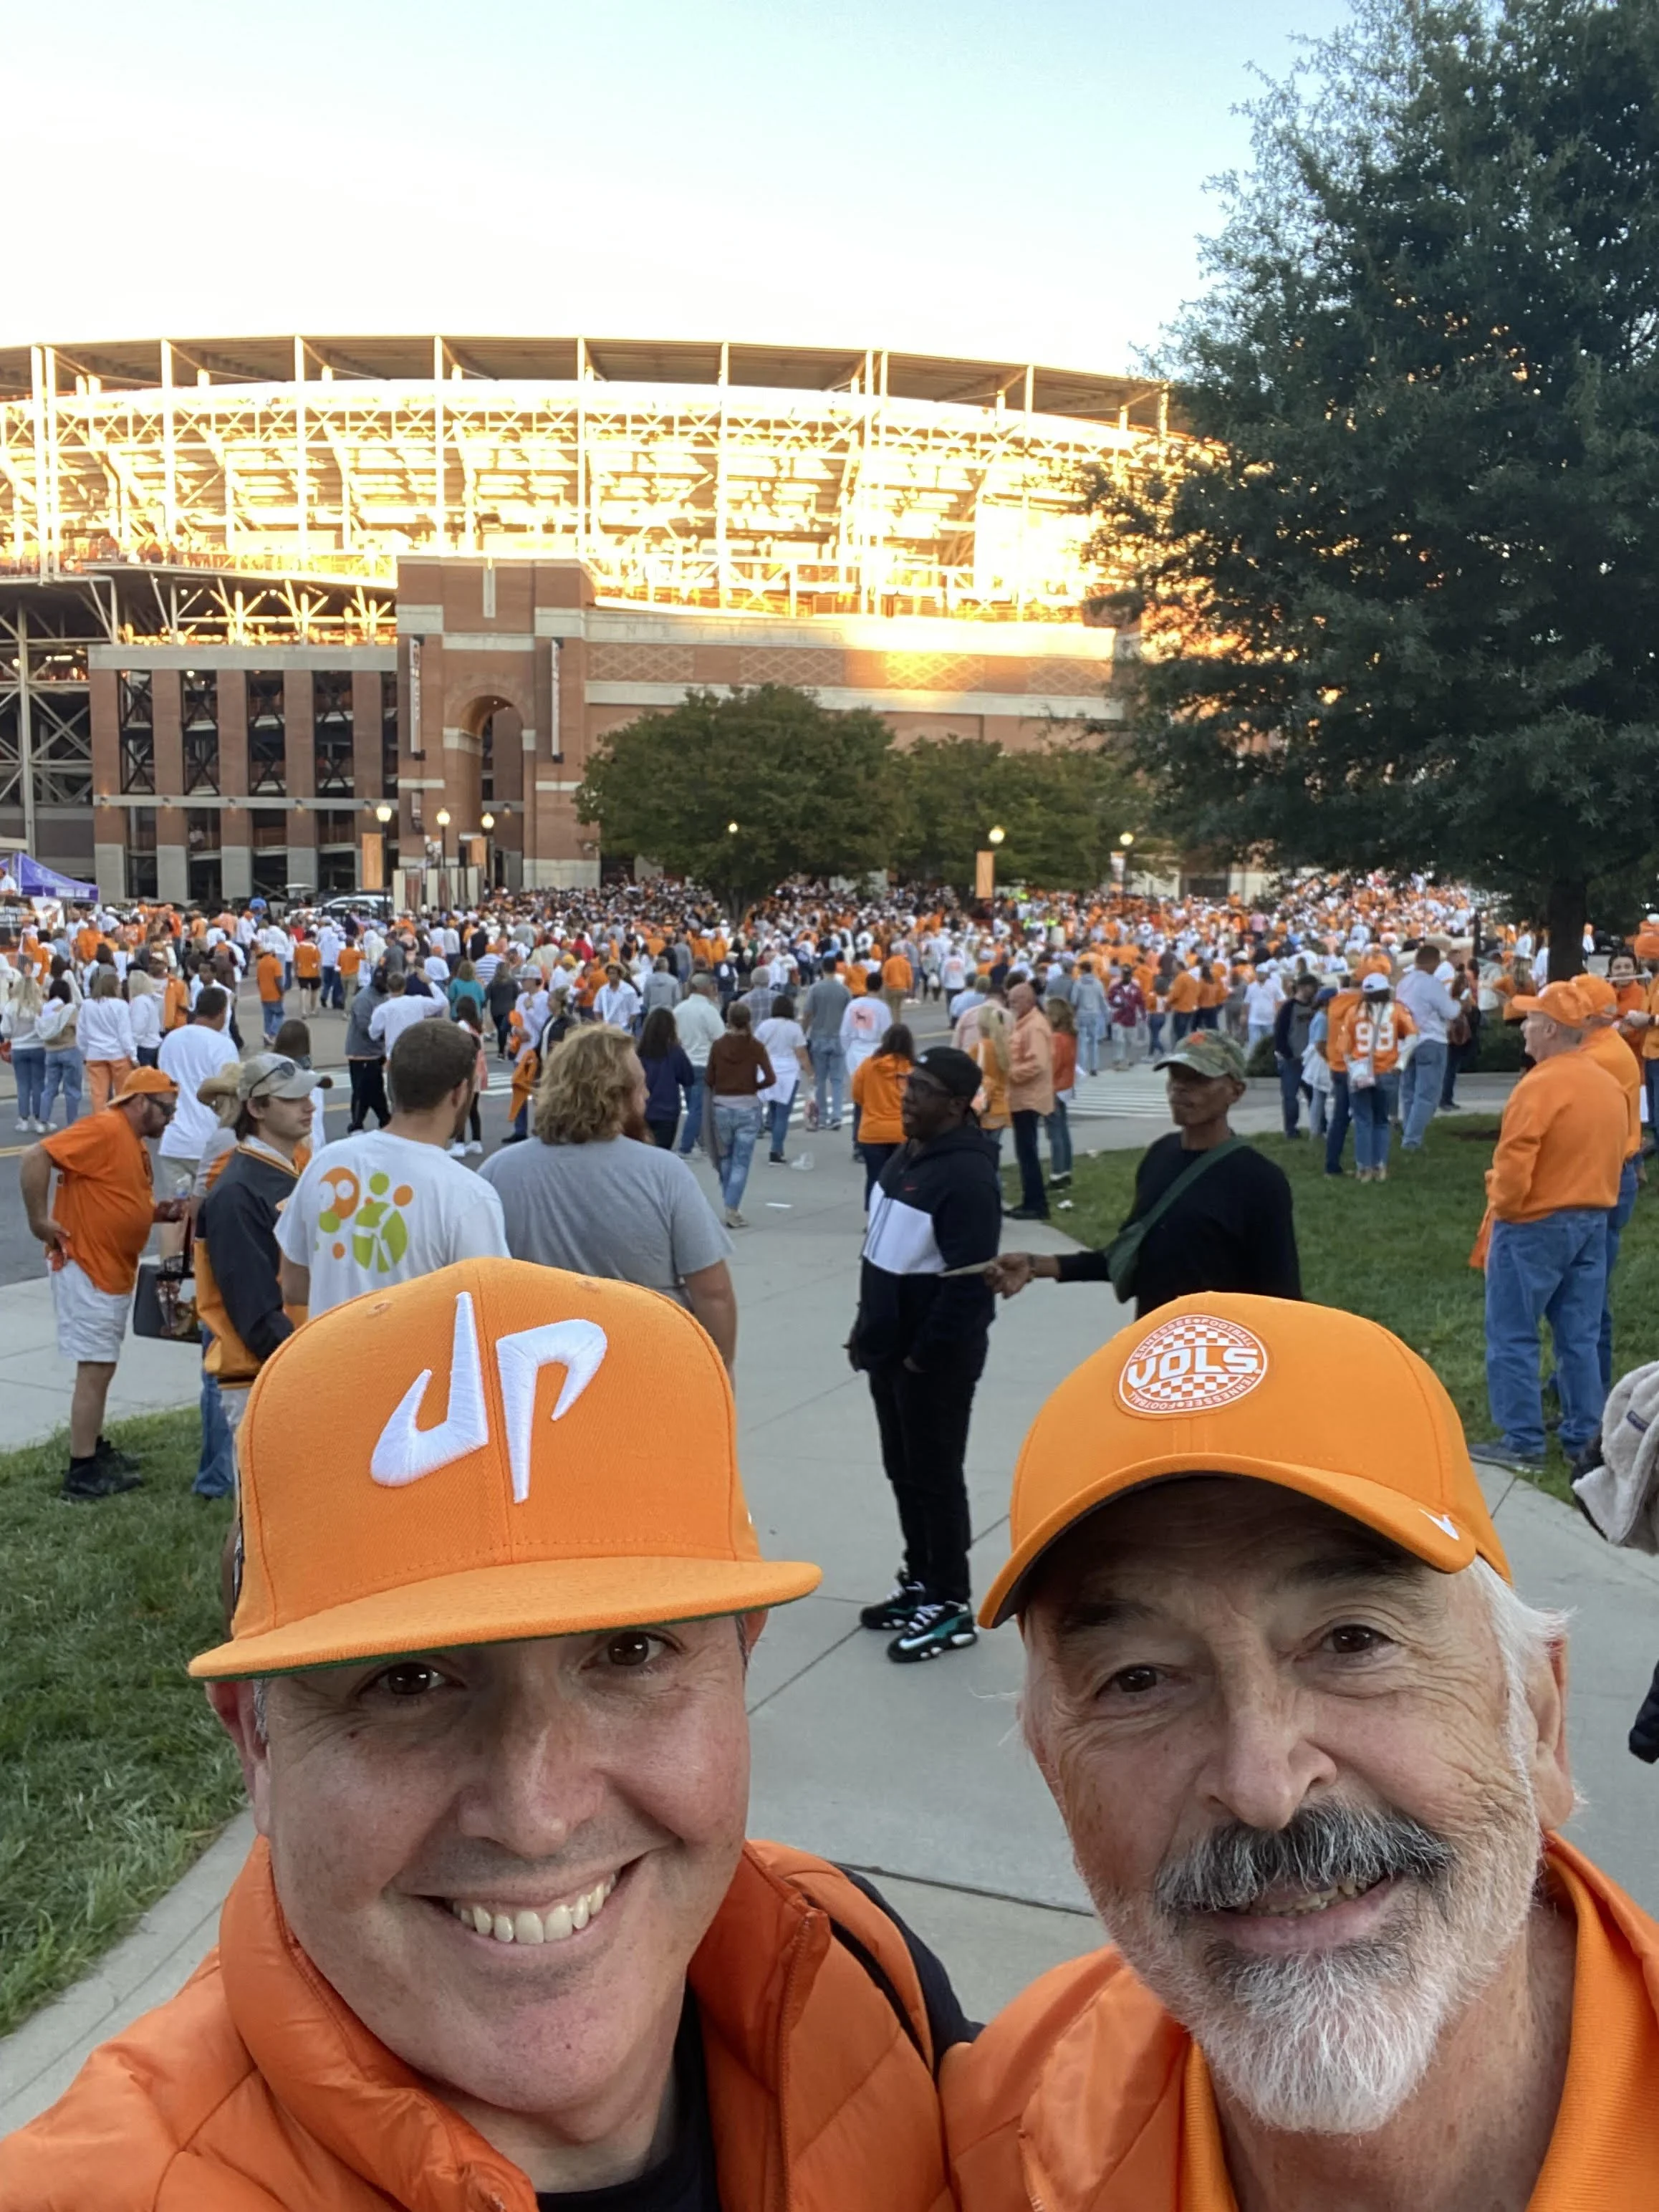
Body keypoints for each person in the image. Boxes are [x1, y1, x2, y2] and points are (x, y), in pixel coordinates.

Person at [1, 1258, 968, 2211]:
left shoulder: (853, 1965)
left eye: (630, 1652)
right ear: (256, 1744)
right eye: (409, 1683)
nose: (536, 1816)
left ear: (741, 1664)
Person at [944, 1294, 1659, 2212]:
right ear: (1055, 1772)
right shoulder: (1000, 2132)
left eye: (1354, 1641)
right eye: (1138, 1680)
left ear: (1539, 1718)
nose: (1262, 1786)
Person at [849, 1045, 1001, 1665]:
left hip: (931, 1362)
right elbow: (884, 1255)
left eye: (922, 1090)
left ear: (957, 1105)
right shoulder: (910, 1156)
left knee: (937, 1479)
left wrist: (922, 1357)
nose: (907, 1096)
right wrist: (868, 1332)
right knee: (904, 1472)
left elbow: (969, 1284)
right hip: (888, 1352)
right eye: (910, 1085)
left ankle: (951, 1601)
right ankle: (920, 1579)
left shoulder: (966, 1176)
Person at [989, 1031, 1301, 1318]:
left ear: (1236, 1091)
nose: (1180, 1088)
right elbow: (1132, 1255)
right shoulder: (1159, 1155)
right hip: (1154, 1348)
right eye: (1175, 1077)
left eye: (1198, 1079)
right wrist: (1036, 1265)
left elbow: (1282, 1295)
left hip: (1219, 1359)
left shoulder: (1259, 1181)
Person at [482, 1025, 737, 1369]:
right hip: (647, 1367)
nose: (646, 1095)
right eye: (640, 1085)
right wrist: (721, 1374)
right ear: (616, 1095)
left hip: (536, 1377)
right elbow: (714, 1294)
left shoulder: (497, 1173)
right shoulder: (664, 1173)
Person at [1473, 979, 1627, 1478]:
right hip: (1591, 1219)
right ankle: (1583, 1439)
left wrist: (1507, 1207)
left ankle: (1522, 1442)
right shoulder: (1605, 1082)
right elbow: (1619, 1153)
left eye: (1530, 1022)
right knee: (1579, 1337)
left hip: (1534, 1223)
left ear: (1550, 1029)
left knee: (1512, 1334)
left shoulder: (1538, 1086)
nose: (1523, 1031)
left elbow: (1516, 1160)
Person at [17, 1066, 187, 1499]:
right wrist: (40, 1220)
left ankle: (92, 1446)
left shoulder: (130, 1142)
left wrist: (155, 1212)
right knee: (94, 1369)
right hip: (87, 1267)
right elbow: (35, 1156)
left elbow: (118, 1197)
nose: (170, 1119)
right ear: (139, 1102)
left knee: (103, 1364)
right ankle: (82, 1470)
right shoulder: (105, 1128)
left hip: (110, 1269)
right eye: (165, 1109)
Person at [276, 1019, 508, 1317]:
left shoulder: (325, 1163)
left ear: (391, 1081)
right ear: (459, 1092)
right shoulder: (469, 1197)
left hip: (328, 1359)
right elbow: (489, 1311)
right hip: (413, 1364)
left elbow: (294, 1285)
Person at [194, 1056, 321, 1455]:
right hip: (264, 1376)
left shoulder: (289, 1170)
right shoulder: (237, 1192)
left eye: (308, 1095)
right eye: (291, 1098)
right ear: (256, 1108)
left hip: (287, 1364)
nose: (310, 1106)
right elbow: (255, 1309)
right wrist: (310, 1366)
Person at [1577, 973, 1644, 1396]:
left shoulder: (1594, 1058)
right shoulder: (1604, 1046)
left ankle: (1590, 1386)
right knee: (1589, 1290)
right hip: (1616, 1172)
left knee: (1587, 1296)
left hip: (1604, 1178)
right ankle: (1580, 1375)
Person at [156, 983, 235, 1221]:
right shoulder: (222, 1045)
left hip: (174, 1140)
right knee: (212, 1216)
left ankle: (170, 1259)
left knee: (175, 1215)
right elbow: (228, 1094)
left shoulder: (171, 1040)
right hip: (209, 1144)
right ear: (221, 1013)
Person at [1336, 971, 1415, 1183]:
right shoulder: (1397, 1010)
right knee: (1382, 1121)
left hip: (1361, 1071)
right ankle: (1380, 1166)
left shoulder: (1353, 1012)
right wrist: (1401, 1064)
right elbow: (1413, 1035)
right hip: (1387, 1071)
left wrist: (1352, 1067)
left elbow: (1344, 1047)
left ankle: (1363, 1168)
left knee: (1362, 1121)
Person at [704, 1001, 774, 1229]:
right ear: (748, 1021)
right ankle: (732, 1209)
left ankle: (730, 1205)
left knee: (726, 1158)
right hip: (748, 1107)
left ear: (729, 1020)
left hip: (722, 1106)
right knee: (741, 1161)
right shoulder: (755, 1046)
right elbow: (771, 1078)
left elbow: (709, 1079)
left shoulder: (718, 1046)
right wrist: (754, 1085)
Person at [1395, 941, 1466, 1148]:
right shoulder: (1431, 983)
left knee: (1409, 1092)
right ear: (1434, 961)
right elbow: (1450, 1011)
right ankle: (1412, 1141)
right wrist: (1460, 1003)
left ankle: (1409, 1132)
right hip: (1431, 1040)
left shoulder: (1403, 983)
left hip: (1407, 1042)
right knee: (1427, 1095)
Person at [1005, 980, 1054, 1223]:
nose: (1011, 1006)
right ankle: (1031, 1200)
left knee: (1028, 1153)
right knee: (1025, 1153)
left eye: (1015, 1001)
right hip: (1022, 1097)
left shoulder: (1033, 1026)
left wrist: (1010, 1074)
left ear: (1028, 1001)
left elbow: (1038, 1063)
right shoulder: (1024, 1023)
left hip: (1029, 1098)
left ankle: (1036, 1204)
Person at [850, 1022, 914, 1206]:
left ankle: (873, 1217)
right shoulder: (911, 1069)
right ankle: (894, 1216)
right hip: (902, 1131)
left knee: (875, 1177)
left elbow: (857, 1094)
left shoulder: (868, 1066)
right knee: (900, 1178)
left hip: (872, 1130)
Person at [672, 971, 726, 1158]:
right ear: (705, 988)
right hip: (703, 1062)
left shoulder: (679, 1009)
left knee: (693, 1103)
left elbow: (674, 1038)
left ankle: (702, 1142)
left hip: (683, 1062)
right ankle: (686, 1146)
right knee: (699, 1107)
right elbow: (720, 1038)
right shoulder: (708, 1010)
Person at [756, 991, 811, 1163]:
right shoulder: (794, 1028)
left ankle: (775, 1144)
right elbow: (801, 1054)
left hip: (767, 1070)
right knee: (783, 1114)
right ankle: (776, 1150)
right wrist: (811, 1073)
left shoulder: (765, 1026)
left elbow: (756, 1048)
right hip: (788, 1073)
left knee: (773, 1109)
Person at [637, 1004, 697, 1150]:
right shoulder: (674, 1052)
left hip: (642, 1109)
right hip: (667, 1111)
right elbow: (688, 1078)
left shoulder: (639, 1052)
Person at [77, 968, 136, 1112]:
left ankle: (100, 1125)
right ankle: (122, 1124)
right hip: (118, 1053)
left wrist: (85, 1052)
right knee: (123, 1094)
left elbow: (81, 1032)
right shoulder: (121, 1005)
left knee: (98, 1095)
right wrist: (133, 1055)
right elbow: (125, 1034)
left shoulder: (87, 1005)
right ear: (114, 987)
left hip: (95, 1054)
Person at [343, 963, 392, 1132]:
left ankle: (385, 1120)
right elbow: (366, 1028)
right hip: (361, 1053)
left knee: (376, 1090)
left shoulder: (385, 997)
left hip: (376, 1052)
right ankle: (357, 1124)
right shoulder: (364, 999)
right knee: (361, 1090)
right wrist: (388, 1035)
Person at [1270, 971, 1317, 1138]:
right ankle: (1291, 1130)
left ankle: (1318, 1127)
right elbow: (1280, 1033)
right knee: (1290, 1097)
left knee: (1315, 1096)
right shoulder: (1289, 1008)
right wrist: (1287, 1054)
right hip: (1292, 1060)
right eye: (1313, 987)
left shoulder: (1316, 1007)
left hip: (1311, 1060)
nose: (1315, 991)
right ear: (1303, 988)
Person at [36, 974, 82, 1127]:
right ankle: (72, 1123)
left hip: (50, 1051)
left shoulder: (44, 1010)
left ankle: (43, 1120)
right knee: (72, 1090)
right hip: (69, 1049)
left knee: (49, 1088)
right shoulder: (69, 1010)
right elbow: (78, 1030)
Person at [4, 968, 47, 1130]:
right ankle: (38, 1119)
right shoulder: (40, 1005)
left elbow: (5, 1031)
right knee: (38, 1084)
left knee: (22, 1084)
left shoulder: (11, 1006)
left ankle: (23, 1119)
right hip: (38, 1047)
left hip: (19, 1048)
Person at [370, 968, 447, 1059]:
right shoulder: (418, 1001)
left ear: (388, 987)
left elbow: (373, 1034)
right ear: (405, 987)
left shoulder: (382, 1009)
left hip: (395, 1055)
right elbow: (443, 1002)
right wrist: (429, 982)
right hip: (417, 1053)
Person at [1045, 997, 1077, 1186]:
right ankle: (1065, 1169)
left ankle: (1057, 1173)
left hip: (1054, 1088)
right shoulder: (1070, 1036)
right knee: (1063, 1130)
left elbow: (1052, 1065)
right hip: (1064, 1087)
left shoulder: (1056, 1039)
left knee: (1055, 1132)